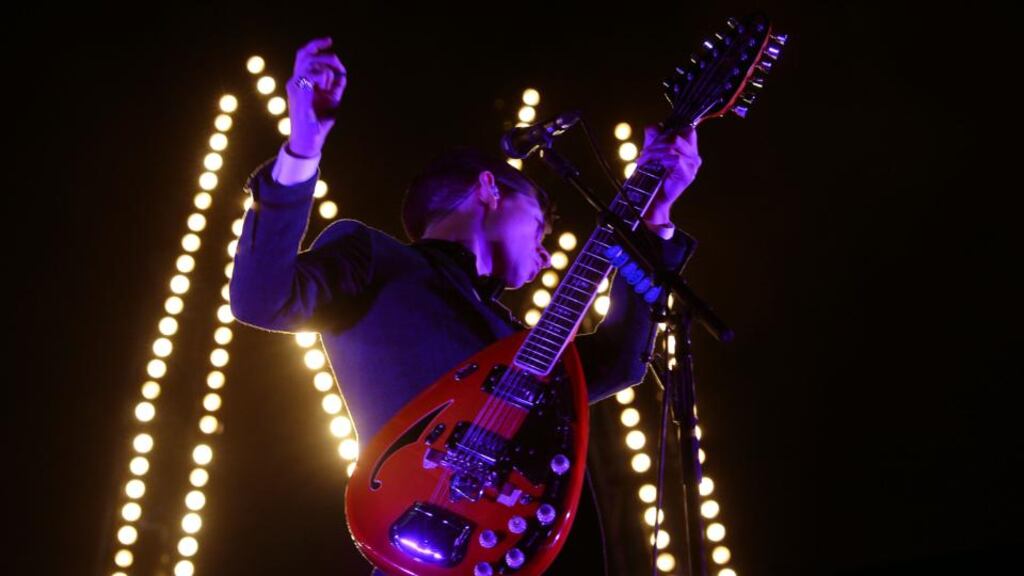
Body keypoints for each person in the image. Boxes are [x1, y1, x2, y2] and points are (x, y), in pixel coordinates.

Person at [230, 36, 703, 576]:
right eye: (541, 224)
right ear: (489, 188)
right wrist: (302, 148)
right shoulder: (374, 257)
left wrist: (656, 214)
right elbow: (260, 297)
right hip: (428, 539)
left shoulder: (516, 339)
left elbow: (619, 361)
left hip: (535, 553)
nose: (548, 252)